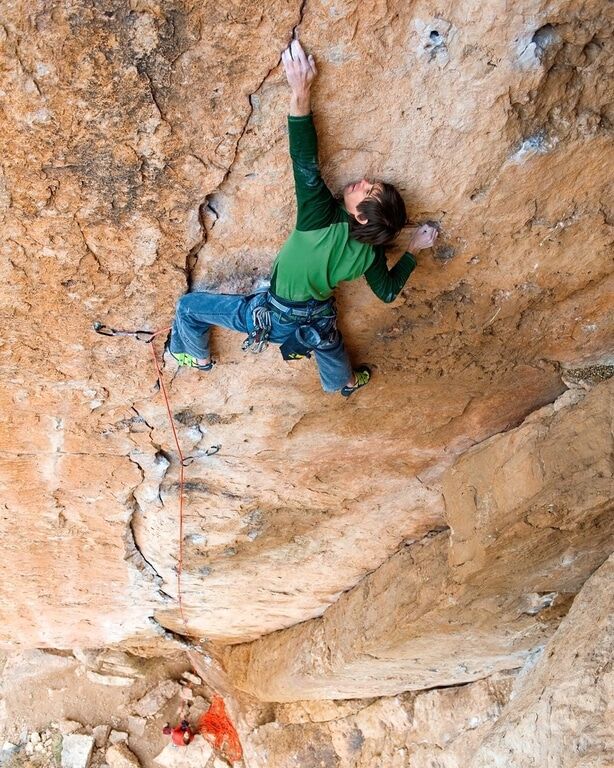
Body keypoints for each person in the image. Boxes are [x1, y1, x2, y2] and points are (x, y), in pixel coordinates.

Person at [169, 39, 438, 396]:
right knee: (328, 343)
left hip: (275, 317)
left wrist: (301, 89)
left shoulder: (320, 215)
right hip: (319, 319)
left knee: (188, 308)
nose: (364, 182)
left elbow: (305, 160)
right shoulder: (371, 253)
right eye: (373, 184)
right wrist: (414, 248)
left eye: (368, 192)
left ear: (360, 217)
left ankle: (195, 357)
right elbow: (386, 292)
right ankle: (344, 383)